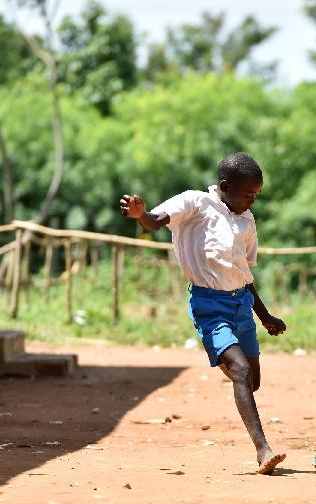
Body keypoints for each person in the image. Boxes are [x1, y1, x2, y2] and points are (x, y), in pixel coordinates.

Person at [118, 152, 288, 475]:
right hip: (209, 305)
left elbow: (244, 275)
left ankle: (231, 363)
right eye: (248, 195)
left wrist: (265, 316)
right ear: (225, 186)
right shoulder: (195, 203)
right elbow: (155, 220)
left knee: (253, 381)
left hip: (241, 304)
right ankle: (263, 450)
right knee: (240, 370)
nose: (252, 202)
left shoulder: (247, 222)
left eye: (256, 196)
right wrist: (141, 215)